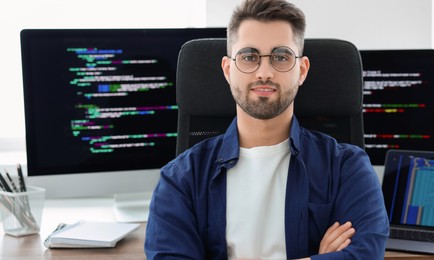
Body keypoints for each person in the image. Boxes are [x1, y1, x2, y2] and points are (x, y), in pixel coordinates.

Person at [144, 0, 389, 259]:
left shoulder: (347, 168)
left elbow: (366, 254)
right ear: (228, 70)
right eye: (249, 57)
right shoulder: (182, 178)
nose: (264, 72)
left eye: (280, 57)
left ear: (302, 70)